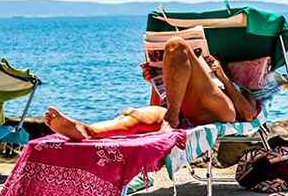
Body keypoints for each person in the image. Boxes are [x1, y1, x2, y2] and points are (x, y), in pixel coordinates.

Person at [45, 37, 259, 141]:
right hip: (177, 110)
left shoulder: (234, 85)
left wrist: (221, 76)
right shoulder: (177, 90)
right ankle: (88, 131)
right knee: (132, 115)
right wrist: (155, 84)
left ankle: (172, 119)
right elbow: (155, 107)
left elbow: (249, 115)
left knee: (175, 45)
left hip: (212, 109)